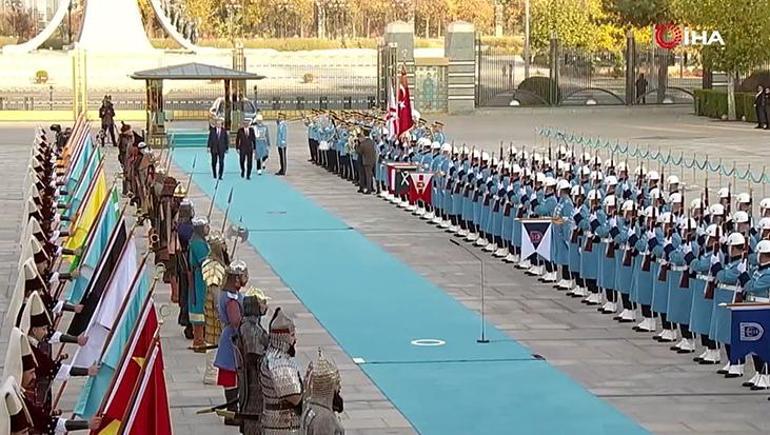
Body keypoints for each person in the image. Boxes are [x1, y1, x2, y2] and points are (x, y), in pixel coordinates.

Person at [213, 260, 248, 426]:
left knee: (233, 378)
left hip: (230, 338)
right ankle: (232, 413)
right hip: (232, 341)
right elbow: (236, 321)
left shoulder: (229, 294)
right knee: (232, 379)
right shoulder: (230, 299)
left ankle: (233, 412)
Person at [260, 308, 303, 434]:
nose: (295, 340)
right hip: (283, 424)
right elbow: (295, 398)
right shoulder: (280, 363)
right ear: (283, 336)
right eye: (292, 335)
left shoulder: (271, 355)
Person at [234, 286, 270, 434]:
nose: (265, 306)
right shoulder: (249, 328)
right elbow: (253, 355)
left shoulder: (253, 325)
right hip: (254, 381)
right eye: (262, 303)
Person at [201, 231, 229, 385]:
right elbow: (215, 290)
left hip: (216, 305)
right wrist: (220, 309)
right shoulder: (212, 266)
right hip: (214, 306)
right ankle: (211, 372)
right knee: (213, 338)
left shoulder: (218, 263)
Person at [300, 349, 345, 435]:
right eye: (337, 383)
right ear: (328, 387)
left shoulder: (311, 407)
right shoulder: (325, 418)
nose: (339, 387)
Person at [188, 216, 211, 351]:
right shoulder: (197, 244)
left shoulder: (199, 240)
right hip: (200, 278)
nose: (208, 229)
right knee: (199, 305)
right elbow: (205, 261)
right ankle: (198, 340)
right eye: (206, 227)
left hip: (200, 276)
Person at [355, 128, 376, 194]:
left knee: (367, 175)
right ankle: (370, 187)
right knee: (370, 175)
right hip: (372, 160)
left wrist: (357, 145)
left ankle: (369, 189)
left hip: (366, 160)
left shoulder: (363, 143)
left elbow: (359, 151)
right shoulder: (372, 142)